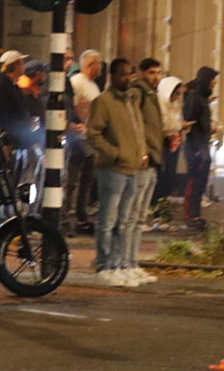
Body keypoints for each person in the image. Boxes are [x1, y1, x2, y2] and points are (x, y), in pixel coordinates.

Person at [88, 58, 147, 287]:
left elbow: (137, 130)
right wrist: (115, 153)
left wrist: (140, 153)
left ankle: (120, 263)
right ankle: (105, 264)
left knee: (123, 221)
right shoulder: (103, 102)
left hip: (132, 168)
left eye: (129, 74)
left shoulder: (131, 101)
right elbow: (94, 133)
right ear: (112, 75)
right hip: (112, 169)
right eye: (122, 74)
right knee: (108, 220)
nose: (127, 78)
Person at [123, 58, 164, 285]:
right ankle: (124, 263)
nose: (155, 77)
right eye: (151, 72)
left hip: (153, 159)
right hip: (143, 161)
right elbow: (135, 124)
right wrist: (142, 152)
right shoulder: (139, 92)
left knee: (139, 217)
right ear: (140, 73)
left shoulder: (150, 93)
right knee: (131, 216)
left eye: (158, 73)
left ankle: (131, 262)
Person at [65, 50, 102, 234]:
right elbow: (73, 107)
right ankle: (66, 216)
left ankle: (81, 215)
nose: (101, 67)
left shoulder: (92, 85)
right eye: (98, 63)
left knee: (86, 179)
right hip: (78, 138)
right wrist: (79, 125)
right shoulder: (77, 83)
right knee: (72, 179)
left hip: (90, 138)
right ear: (89, 65)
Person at [0, 50, 35, 187]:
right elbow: (2, 116)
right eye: (22, 62)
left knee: (14, 181)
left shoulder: (14, 87)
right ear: (15, 64)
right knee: (5, 182)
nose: (24, 66)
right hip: (9, 144)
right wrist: (6, 142)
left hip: (18, 143)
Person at [183, 66, 218, 230]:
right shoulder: (195, 98)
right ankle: (191, 215)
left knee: (200, 183)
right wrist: (195, 145)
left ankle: (195, 215)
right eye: (212, 79)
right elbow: (189, 122)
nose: (214, 83)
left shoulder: (201, 98)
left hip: (202, 144)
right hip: (196, 146)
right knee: (195, 181)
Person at [18, 60, 48, 213]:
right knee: (28, 181)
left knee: (33, 180)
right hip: (31, 146)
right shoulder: (25, 93)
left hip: (36, 144)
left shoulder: (32, 92)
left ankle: (31, 212)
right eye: (43, 72)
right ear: (37, 73)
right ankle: (25, 214)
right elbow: (30, 120)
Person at [153, 76, 188, 203]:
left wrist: (180, 126)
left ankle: (164, 206)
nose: (177, 97)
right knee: (162, 177)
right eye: (176, 93)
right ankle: (157, 207)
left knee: (170, 176)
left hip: (173, 143)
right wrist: (180, 125)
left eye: (179, 94)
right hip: (162, 144)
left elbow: (176, 120)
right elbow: (164, 124)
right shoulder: (160, 102)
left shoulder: (174, 104)